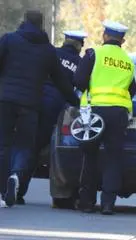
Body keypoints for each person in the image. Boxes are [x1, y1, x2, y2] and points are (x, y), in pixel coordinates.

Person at [0, 10, 80, 207]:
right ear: (42, 26)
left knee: (3, 145)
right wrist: (77, 102)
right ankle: (16, 176)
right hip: (30, 105)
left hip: (5, 101)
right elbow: (61, 82)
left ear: (24, 21)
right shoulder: (48, 50)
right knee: (25, 146)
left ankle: (3, 187)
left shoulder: (8, 40)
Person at [15, 30, 88, 205]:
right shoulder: (79, 62)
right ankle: (56, 196)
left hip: (32, 102)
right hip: (55, 109)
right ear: (79, 45)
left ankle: (16, 188)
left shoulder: (51, 53)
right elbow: (79, 85)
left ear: (65, 41)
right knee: (43, 150)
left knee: (24, 145)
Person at [73, 20, 136, 215]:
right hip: (118, 113)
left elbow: (79, 81)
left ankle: (86, 202)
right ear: (122, 40)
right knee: (113, 158)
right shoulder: (128, 61)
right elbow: (132, 90)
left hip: (93, 113)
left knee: (90, 155)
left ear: (104, 36)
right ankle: (108, 204)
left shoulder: (94, 54)